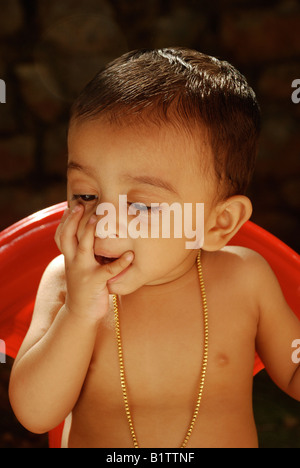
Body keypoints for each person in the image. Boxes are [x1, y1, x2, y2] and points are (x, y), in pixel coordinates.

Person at [9, 48, 300, 448]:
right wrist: (78, 313)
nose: (103, 221)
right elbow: (35, 414)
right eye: (87, 194)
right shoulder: (63, 284)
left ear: (218, 224)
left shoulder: (244, 280)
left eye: (142, 205)